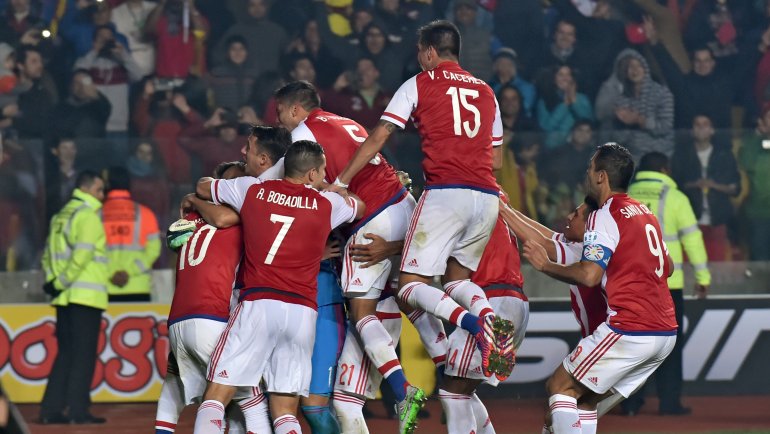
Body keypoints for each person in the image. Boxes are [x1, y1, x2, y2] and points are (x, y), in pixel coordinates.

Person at [326, 20, 516, 384]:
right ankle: (481, 326)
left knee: (410, 285)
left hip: (446, 193)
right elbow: (496, 161)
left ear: (429, 52)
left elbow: (379, 134)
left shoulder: (420, 82)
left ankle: (479, 326)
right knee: (456, 280)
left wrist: (342, 180)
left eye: (419, 53)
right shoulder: (487, 91)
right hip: (487, 196)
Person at [274, 80, 424, 433]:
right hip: (402, 204)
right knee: (346, 398)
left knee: (361, 311)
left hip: (374, 217)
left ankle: (405, 390)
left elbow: (298, 189)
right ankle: (445, 351)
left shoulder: (303, 136)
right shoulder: (346, 122)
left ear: (296, 110)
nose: (280, 120)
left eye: (281, 112)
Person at [191, 139, 364, 434]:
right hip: (302, 313)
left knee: (217, 396)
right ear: (311, 174)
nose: (324, 176)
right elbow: (360, 207)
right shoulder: (327, 204)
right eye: (322, 171)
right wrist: (332, 189)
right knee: (285, 411)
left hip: (259, 303)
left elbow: (204, 185)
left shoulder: (251, 189)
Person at [522, 143, 677, 434]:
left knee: (559, 386)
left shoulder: (604, 214)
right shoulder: (645, 213)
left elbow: (589, 276)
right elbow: (668, 267)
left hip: (632, 327)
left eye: (590, 168)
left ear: (601, 177)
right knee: (586, 401)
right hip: (665, 332)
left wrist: (545, 266)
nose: (587, 174)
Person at [155, 161, 278, 434]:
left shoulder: (188, 220)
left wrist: (194, 200)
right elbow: (225, 219)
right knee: (251, 399)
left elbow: (173, 240)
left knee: (175, 389)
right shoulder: (239, 218)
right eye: (232, 185)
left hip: (179, 319)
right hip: (211, 316)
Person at [625, 151, 711, 416]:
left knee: (631, 344)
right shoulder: (675, 198)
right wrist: (702, 278)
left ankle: (629, 403)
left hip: (630, 286)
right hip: (668, 286)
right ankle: (669, 403)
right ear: (665, 169)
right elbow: (693, 240)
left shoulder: (624, 199)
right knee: (670, 347)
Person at [39, 170, 108, 425]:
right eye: (100, 190)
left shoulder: (61, 215)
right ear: (88, 189)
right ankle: (78, 411)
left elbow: (48, 254)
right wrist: (62, 281)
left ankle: (50, 410)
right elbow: (83, 255)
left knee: (66, 353)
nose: (103, 195)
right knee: (83, 356)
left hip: (64, 296)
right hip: (84, 295)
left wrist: (54, 283)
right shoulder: (87, 216)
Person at [672, 115, 741, 262]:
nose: (701, 127)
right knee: (690, 266)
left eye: (705, 124)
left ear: (712, 130)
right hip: (689, 220)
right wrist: (694, 185)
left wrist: (713, 185)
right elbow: (674, 186)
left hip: (718, 220)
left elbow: (736, 188)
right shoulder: (682, 155)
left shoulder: (725, 155)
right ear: (692, 130)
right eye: (697, 124)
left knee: (716, 265)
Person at [594, 49, 674, 158]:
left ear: (645, 68)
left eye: (638, 66)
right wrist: (620, 121)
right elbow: (617, 136)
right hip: (630, 154)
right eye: (630, 67)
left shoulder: (662, 93)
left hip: (657, 153)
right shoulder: (622, 98)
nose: (634, 70)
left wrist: (640, 120)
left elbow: (665, 128)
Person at [101, 167, 161, 302]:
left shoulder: (96, 214)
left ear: (107, 185)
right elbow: (153, 251)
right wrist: (129, 272)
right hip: (138, 286)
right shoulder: (145, 214)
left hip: (105, 286)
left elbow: (91, 251)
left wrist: (111, 273)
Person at [739, 105, 770, 260]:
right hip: (759, 214)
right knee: (760, 260)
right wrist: (758, 137)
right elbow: (746, 162)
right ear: (762, 121)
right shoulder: (753, 144)